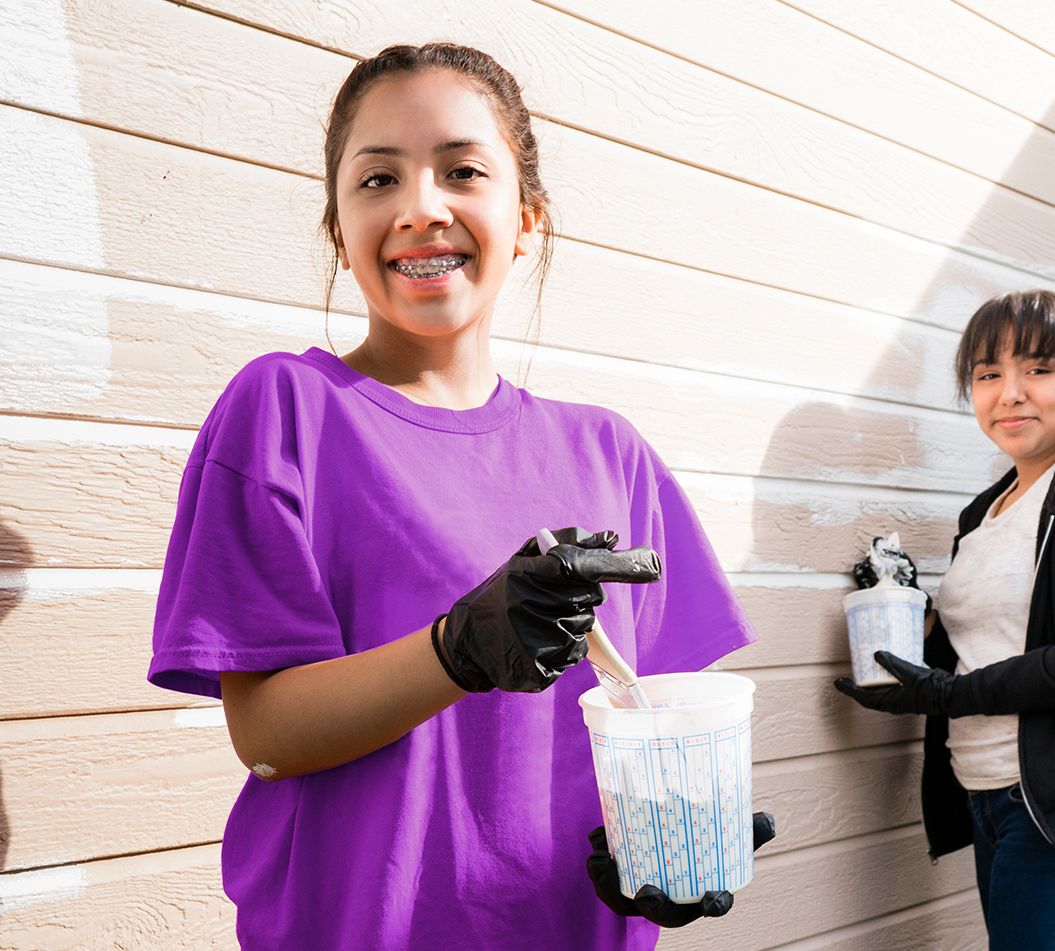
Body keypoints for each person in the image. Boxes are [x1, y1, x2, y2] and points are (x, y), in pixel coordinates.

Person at [148, 43, 768, 951]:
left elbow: (659, 717)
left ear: (525, 219)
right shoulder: (285, 411)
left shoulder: (610, 452)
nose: (421, 208)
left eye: (462, 170)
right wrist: (456, 648)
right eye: (377, 180)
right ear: (337, 228)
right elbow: (267, 733)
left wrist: (683, 836)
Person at [835, 290, 1055, 951]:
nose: (1009, 392)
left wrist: (948, 695)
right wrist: (909, 616)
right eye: (988, 374)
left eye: (1038, 368)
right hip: (997, 798)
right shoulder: (988, 509)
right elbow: (994, 637)